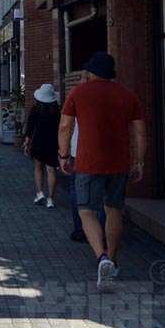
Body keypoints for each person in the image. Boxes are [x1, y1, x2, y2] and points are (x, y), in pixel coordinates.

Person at [58, 51, 145, 293]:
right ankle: (113, 259)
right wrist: (139, 162)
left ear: (92, 72)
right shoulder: (128, 96)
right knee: (113, 209)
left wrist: (64, 155)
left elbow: (65, 126)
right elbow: (139, 132)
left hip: (87, 162)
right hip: (119, 162)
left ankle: (101, 258)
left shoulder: (78, 92)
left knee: (87, 212)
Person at [67, 71, 106, 242]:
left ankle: (81, 229)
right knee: (104, 195)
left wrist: (63, 153)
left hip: (79, 151)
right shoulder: (109, 97)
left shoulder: (77, 96)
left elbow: (65, 126)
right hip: (105, 152)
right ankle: (103, 233)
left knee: (78, 192)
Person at [24, 84, 61, 208]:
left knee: (38, 166)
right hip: (53, 142)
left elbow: (30, 128)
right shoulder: (57, 110)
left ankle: (40, 193)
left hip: (39, 141)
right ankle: (51, 199)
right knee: (51, 169)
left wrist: (27, 144)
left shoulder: (35, 109)